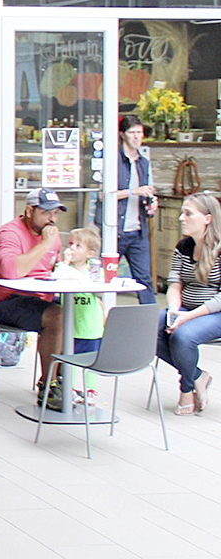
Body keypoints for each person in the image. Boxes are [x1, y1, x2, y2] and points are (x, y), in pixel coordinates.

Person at [0, 187, 66, 409]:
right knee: (57, 317)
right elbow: (12, 271)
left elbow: (54, 268)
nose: (52, 219)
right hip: (6, 300)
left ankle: (66, 381)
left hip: (41, 296)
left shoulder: (51, 235)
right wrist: (45, 244)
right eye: (46, 213)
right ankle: (49, 385)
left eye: (56, 214)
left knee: (81, 312)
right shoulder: (9, 234)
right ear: (30, 211)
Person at [158, 192, 221, 416]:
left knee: (182, 336)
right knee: (150, 327)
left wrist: (188, 317)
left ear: (208, 218)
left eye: (188, 214)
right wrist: (175, 309)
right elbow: (175, 282)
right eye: (181, 213)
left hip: (215, 312)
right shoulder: (183, 246)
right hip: (186, 309)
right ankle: (196, 376)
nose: (181, 218)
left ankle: (186, 389)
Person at [102, 115, 158, 304]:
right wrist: (132, 191)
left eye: (139, 133)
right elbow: (104, 195)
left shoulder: (144, 162)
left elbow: (148, 191)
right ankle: (101, 318)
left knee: (144, 279)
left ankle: (153, 325)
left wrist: (151, 203)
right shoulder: (113, 161)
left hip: (138, 230)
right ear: (122, 135)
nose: (136, 137)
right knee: (105, 280)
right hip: (114, 229)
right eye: (132, 133)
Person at [51, 227, 104, 406]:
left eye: (78, 246)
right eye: (70, 244)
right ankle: (70, 388)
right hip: (70, 325)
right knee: (70, 359)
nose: (72, 248)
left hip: (90, 326)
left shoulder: (94, 270)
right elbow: (57, 277)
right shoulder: (64, 269)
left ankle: (90, 390)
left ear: (90, 253)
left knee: (91, 359)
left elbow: (99, 290)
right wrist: (64, 263)